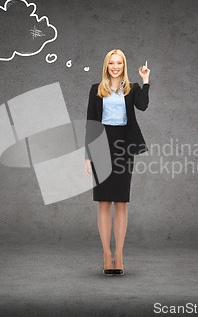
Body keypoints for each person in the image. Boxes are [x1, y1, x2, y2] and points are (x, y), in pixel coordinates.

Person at [84, 49, 151, 276]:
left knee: (121, 202)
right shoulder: (96, 89)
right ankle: (106, 254)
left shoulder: (131, 88)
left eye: (119, 63)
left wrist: (145, 80)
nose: (115, 67)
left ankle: (119, 255)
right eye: (111, 63)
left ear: (124, 65)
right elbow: (91, 122)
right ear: (106, 66)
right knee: (103, 201)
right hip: (101, 144)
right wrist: (87, 155)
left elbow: (142, 106)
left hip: (124, 145)